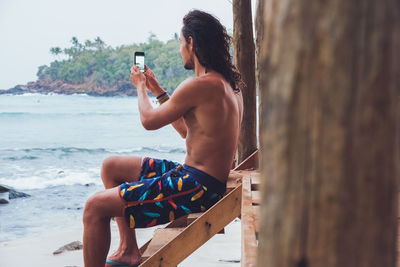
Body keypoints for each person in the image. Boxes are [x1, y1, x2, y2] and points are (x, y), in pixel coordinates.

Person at [83, 9, 244, 267]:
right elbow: (185, 131)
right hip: (199, 179)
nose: (181, 49)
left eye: (181, 42)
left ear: (191, 42)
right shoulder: (230, 87)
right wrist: (157, 90)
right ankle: (128, 249)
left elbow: (148, 121)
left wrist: (138, 87)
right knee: (111, 166)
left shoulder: (199, 85)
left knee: (94, 207)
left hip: (196, 188)